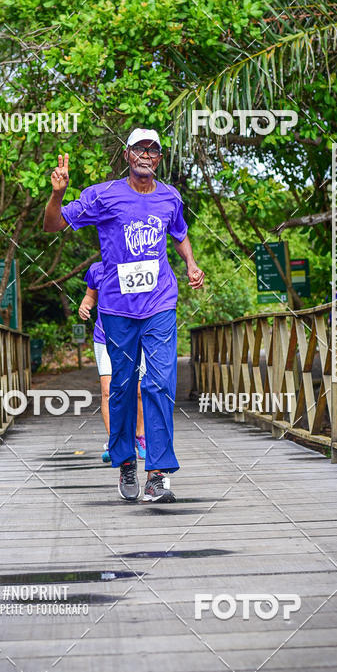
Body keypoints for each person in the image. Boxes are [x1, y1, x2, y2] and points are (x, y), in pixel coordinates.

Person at [44, 128, 204, 503]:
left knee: (160, 383)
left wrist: (191, 264)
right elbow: (53, 225)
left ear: (160, 159)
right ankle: (126, 462)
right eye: (139, 149)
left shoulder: (170, 197)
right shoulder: (103, 195)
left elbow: (178, 233)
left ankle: (158, 473)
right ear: (127, 154)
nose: (146, 155)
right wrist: (57, 194)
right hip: (117, 309)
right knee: (121, 387)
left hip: (160, 303)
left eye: (153, 150)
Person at [78, 261, 146, 463]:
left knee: (139, 390)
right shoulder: (96, 269)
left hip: (134, 336)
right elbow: (90, 296)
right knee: (108, 391)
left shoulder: (137, 266)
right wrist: (85, 305)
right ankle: (115, 442)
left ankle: (139, 438)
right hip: (105, 337)